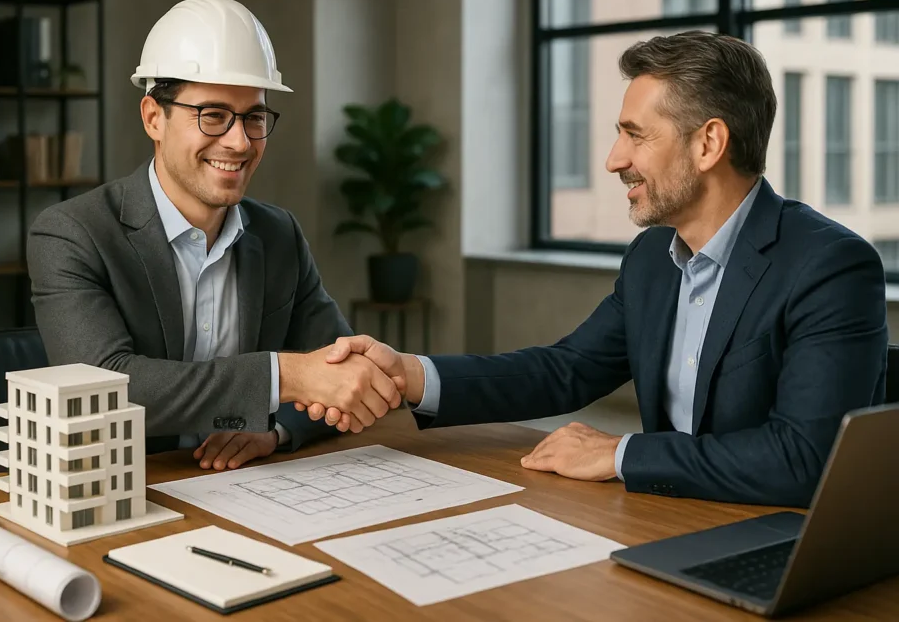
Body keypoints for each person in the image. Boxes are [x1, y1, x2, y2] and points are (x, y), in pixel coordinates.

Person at [307, 30, 889, 508]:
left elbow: (804, 460)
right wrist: (411, 373)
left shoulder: (830, 266)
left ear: (709, 144)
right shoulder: (650, 261)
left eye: (635, 135)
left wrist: (618, 454)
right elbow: (567, 370)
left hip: (774, 536)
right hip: (667, 518)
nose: (614, 160)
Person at [26, 0, 400, 471]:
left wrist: (277, 429)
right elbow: (106, 386)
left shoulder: (279, 233)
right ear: (153, 118)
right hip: (123, 489)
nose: (240, 141)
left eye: (254, 117)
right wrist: (283, 375)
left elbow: (340, 374)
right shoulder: (72, 234)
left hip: (249, 488)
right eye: (213, 115)